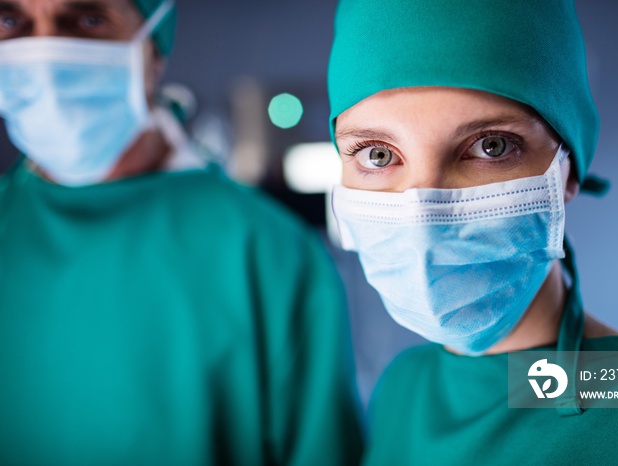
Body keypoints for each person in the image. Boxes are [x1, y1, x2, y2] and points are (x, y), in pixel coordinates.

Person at [326, 0, 618, 464]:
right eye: (377, 155)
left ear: (566, 173)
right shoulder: (405, 386)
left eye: (491, 145)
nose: (421, 209)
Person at [0, 0, 362, 464]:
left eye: (88, 19)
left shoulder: (265, 250)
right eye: (11, 21)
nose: (44, 51)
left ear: (152, 51)